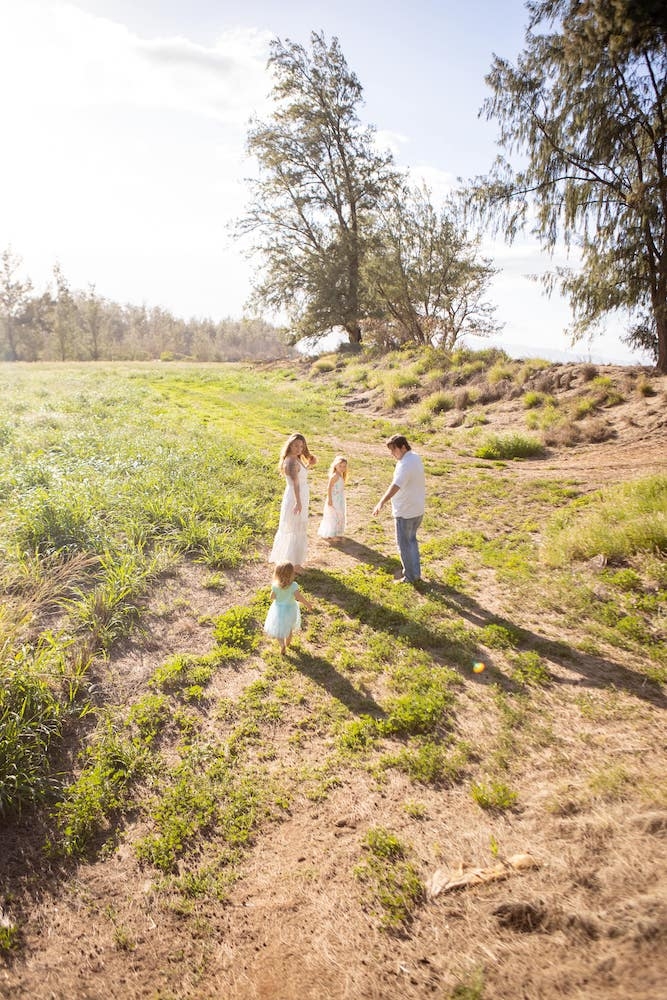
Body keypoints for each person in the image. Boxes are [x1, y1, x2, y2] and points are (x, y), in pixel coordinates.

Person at [372, 433, 426, 584]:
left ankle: (410, 576)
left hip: (406, 511)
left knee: (404, 544)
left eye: (393, 450)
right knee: (411, 541)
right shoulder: (414, 457)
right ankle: (415, 573)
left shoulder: (405, 464)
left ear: (403, 447)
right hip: (417, 509)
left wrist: (381, 502)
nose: (392, 454)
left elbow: (396, 485)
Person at [269, 432, 317, 571]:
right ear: (289, 445)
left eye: (301, 446)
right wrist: (298, 502)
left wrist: (309, 465)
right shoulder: (290, 461)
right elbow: (295, 483)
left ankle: (294, 562)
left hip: (301, 495)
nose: (299, 449)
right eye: (296, 445)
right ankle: (292, 563)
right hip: (295, 497)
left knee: (298, 526)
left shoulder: (296, 459)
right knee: (293, 527)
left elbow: (300, 476)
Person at [263, 561, 312, 655]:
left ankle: (282, 645)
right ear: (291, 574)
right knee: (289, 628)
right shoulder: (293, 586)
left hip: (278, 610)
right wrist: (307, 604)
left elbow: (272, 597)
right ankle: (288, 643)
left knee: (278, 630)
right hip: (291, 610)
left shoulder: (275, 586)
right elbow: (299, 597)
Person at [317, 454, 348, 543]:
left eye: (344, 466)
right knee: (334, 515)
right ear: (335, 465)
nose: (342, 468)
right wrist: (330, 499)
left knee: (340, 514)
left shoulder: (340, 475)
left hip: (339, 498)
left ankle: (337, 532)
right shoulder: (335, 476)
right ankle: (332, 534)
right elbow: (329, 488)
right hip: (334, 499)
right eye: (340, 466)